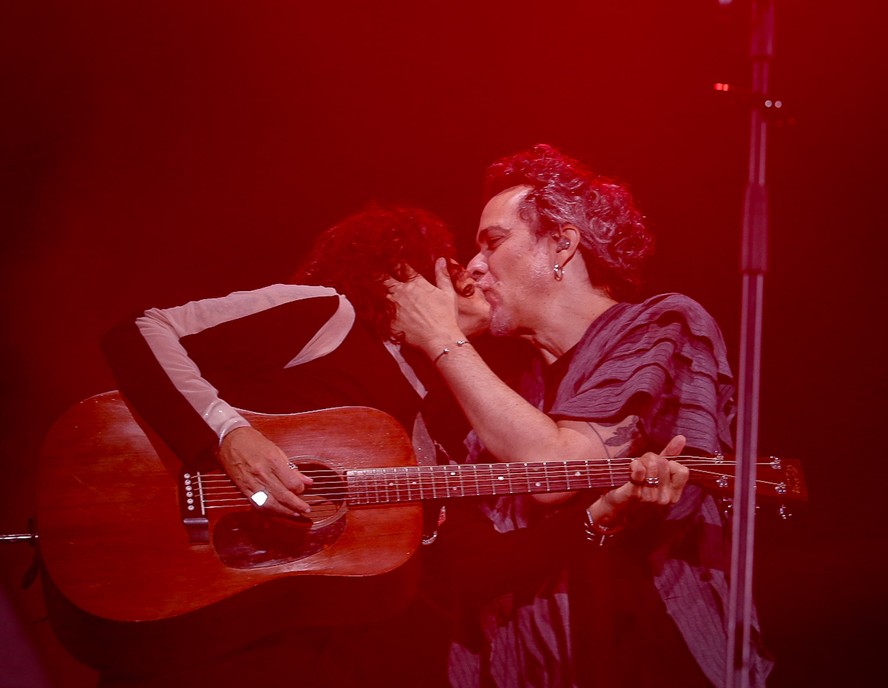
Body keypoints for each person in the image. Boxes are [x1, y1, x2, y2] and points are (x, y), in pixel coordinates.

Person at [386, 143, 774, 687]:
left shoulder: (663, 326)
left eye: (493, 242)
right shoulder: (508, 399)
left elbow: (555, 466)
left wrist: (442, 338)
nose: (473, 266)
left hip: (649, 660)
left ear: (562, 245)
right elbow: (464, 566)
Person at [99, 203, 491, 687]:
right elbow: (142, 331)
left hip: (281, 639)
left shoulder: (439, 404)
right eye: (450, 263)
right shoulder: (328, 312)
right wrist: (227, 434)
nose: (471, 273)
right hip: (191, 612)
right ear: (405, 271)